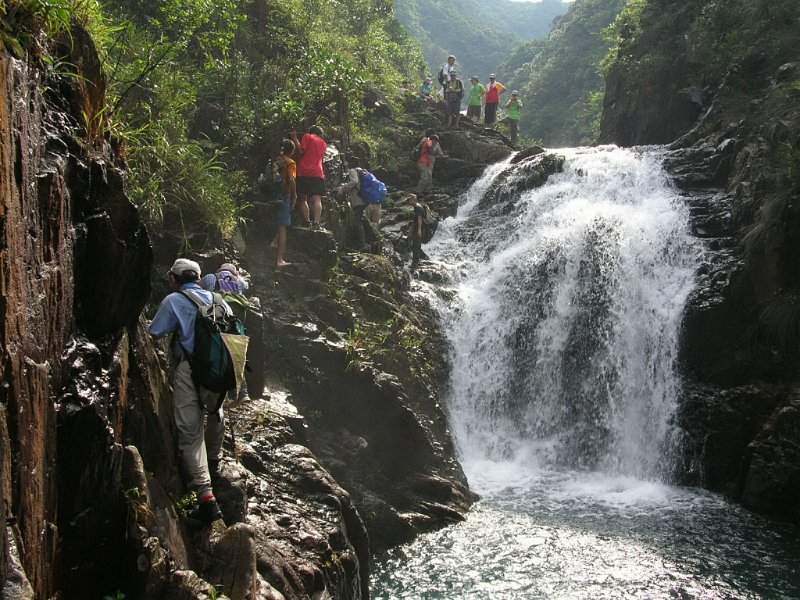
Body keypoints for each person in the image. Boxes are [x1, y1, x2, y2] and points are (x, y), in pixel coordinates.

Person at [149, 258, 233, 525]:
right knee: (216, 413)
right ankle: (214, 461)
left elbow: (154, 332)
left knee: (189, 432)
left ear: (174, 279)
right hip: (217, 372)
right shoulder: (221, 301)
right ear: (198, 278)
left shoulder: (174, 300)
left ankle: (206, 499)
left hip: (188, 369)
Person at [200, 263, 251, 403]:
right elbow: (246, 287)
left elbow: (203, 296)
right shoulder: (239, 281)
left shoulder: (211, 278)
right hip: (235, 322)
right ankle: (241, 393)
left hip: (218, 320)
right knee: (235, 353)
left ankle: (217, 390)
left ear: (219, 270)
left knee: (219, 352)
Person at [291, 125, 327, 229]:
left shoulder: (307, 136)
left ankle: (307, 222)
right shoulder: (323, 143)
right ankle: (316, 223)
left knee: (302, 197)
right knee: (317, 198)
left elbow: (301, 151)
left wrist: (294, 138)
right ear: (320, 134)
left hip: (304, 171)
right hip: (317, 172)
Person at [270, 139, 296, 266]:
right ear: (292, 151)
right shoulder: (290, 162)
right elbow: (291, 179)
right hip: (284, 195)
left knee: (278, 221)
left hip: (271, 195)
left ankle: (274, 242)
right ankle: (279, 260)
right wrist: (294, 196)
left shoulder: (274, 161)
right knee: (283, 227)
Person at [334, 157, 367, 250]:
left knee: (357, 222)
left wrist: (343, 188)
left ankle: (361, 245)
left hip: (358, 200)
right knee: (358, 221)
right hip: (364, 199)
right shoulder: (362, 171)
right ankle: (360, 244)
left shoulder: (353, 170)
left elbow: (354, 181)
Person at [406, 194, 428, 270]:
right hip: (416, 229)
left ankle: (415, 263)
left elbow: (419, 219)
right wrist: (410, 231)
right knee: (414, 245)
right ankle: (424, 257)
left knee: (415, 246)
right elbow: (414, 221)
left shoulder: (418, 208)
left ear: (413, 200)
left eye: (409, 200)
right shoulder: (415, 207)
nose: (408, 201)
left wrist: (419, 230)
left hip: (420, 229)